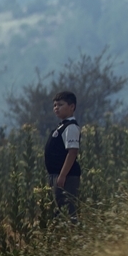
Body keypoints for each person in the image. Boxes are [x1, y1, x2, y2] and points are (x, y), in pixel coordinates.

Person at [46, 91, 82, 220]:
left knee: (67, 211)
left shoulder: (71, 127)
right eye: (55, 105)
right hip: (56, 174)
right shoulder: (61, 126)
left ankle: (72, 236)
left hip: (66, 176)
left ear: (72, 106)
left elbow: (72, 152)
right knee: (58, 211)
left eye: (60, 105)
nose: (56, 108)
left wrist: (62, 176)